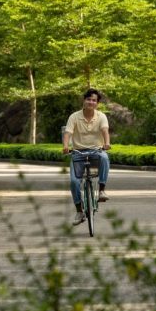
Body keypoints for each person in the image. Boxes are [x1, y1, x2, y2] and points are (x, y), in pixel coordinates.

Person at [62, 88, 111, 225]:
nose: (91, 102)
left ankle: (101, 190)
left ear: (97, 103)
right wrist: (65, 146)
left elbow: (105, 131)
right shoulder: (74, 117)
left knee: (104, 157)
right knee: (74, 182)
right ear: (84, 100)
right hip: (78, 152)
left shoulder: (101, 116)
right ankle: (79, 211)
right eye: (88, 99)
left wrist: (107, 143)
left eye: (94, 100)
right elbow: (68, 133)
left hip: (96, 151)